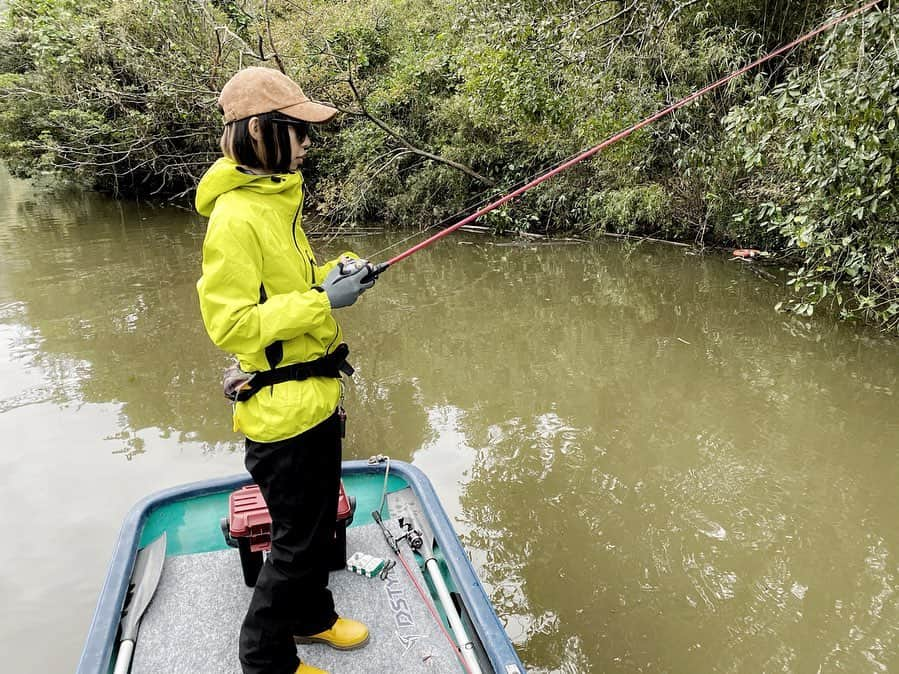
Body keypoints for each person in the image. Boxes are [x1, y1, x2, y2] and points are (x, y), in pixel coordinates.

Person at [195, 66, 375, 674]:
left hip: (316, 400)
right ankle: (266, 661)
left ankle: (312, 619)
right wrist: (323, 301)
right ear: (265, 134)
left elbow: (294, 285)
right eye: (299, 132)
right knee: (296, 545)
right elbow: (233, 324)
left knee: (319, 530)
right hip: (282, 416)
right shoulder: (235, 219)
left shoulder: (277, 201)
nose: (307, 144)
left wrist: (338, 274)